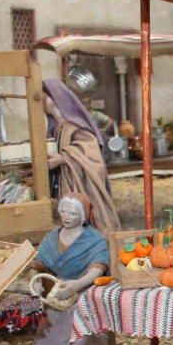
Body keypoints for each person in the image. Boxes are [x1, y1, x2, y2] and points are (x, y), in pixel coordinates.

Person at [31, 193, 113, 345]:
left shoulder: (94, 240)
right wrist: (36, 281)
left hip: (85, 288)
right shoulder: (51, 238)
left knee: (78, 313)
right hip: (58, 287)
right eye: (64, 212)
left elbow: (97, 269)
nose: (67, 217)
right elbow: (37, 264)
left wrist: (76, 285)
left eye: (73, 214)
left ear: (83, 216)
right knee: (50, 316)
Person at [42, 80, 121, 232]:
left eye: (44, 96)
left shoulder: (75, 127)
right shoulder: (55, 128)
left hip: (80, 185)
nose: (41, 101)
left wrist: (63, 158)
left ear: (55, 99)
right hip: (64, 185)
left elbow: (92, 153)